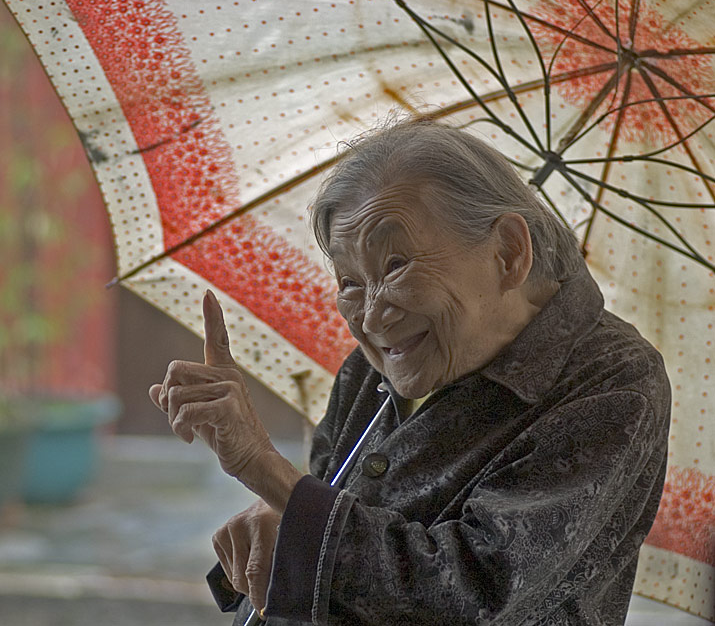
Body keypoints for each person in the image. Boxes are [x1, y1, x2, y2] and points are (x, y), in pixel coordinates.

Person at [149, 120, 670, 625]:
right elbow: (335, 533)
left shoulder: (611, 383)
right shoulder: (376, 366)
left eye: (397, 266)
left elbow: (472, 596)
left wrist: (267, 470)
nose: (372, 318)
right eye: (350, 281)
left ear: (508, 253)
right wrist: (284, 522)